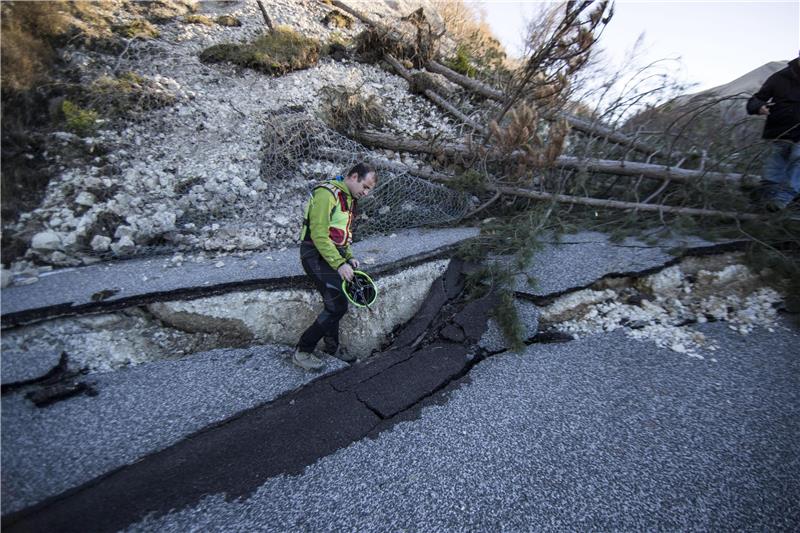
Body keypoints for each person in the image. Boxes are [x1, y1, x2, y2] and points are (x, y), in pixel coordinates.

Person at [292, 162, 378, 371]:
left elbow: (341, 233)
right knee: (337, 305)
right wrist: (339, 264)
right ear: (354, 176)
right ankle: (303, 351)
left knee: (337, 303)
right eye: (365, 187)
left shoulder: (348, 197)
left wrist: (348, 257)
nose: (366, 193)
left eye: (369, 190)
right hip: (314, 255)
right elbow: (320, 234)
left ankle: (332, 350)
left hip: (331, 255)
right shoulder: (326, 194)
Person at [746, 54, 800, 210]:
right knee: (772, 171)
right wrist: (759, 107)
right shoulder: (779, 77)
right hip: (779, 133)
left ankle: (780, 205)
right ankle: (767, 205)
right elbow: (756, 100)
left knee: (796, 166)